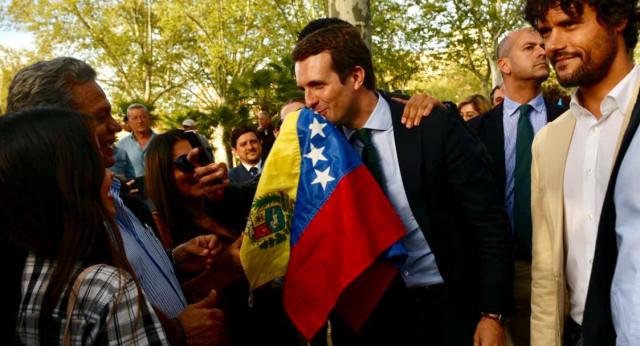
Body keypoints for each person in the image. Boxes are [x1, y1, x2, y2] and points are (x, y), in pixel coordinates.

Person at [293, 23, 514, 346]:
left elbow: (490, 223)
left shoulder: (431, 125)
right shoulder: (317, 147)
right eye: (303, 89)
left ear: (356, 77)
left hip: (450, 310)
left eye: (317, 85)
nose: (308, 100)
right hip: (371, 320)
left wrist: (493, 314)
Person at [6, 57, 231, 345]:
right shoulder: (41, 234)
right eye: (100, 118)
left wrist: (172, 259)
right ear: (53, 131)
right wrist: (175, 335)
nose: (117, 126)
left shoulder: (122, 197)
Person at [0, 108, 175, 345]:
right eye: (96, 163)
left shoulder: (30, 268)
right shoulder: (108, 288)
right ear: (67, 180)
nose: (111, 177)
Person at [522, 0, 640, 345]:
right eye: (546, 31)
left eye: (570, 24)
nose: (552, 44)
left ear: (616, 20)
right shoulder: (548, 141)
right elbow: (546, 269)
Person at [467, 28, 566, 346]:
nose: (542, 51)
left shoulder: (569, 123)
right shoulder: (474, 131)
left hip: (557, 269)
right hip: (496, 271)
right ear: (505, 65)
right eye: (529, 47)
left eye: (542, 45)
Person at [116, 103, 156, 177]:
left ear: (148, 119)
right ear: (129, 122)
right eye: (135, 118)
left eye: (143, 117)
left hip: (159, 187)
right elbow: (118, 173)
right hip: (133, 187)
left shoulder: (162, 141)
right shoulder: (121, 145)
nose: (140, 121)